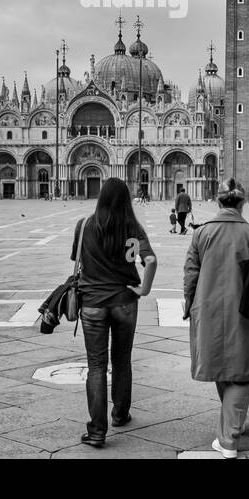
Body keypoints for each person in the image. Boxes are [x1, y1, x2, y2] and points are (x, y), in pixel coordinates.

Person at [183, 178, 249, 459]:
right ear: (242, 203)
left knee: (222, 365)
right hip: (247, 312)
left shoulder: (201, 234)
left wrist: (189, 304)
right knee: (243, 368)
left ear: (218, 202)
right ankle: (229, 439)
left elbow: (190, 275)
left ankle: (231, 424)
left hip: (209, 310)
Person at [70, 177, 157, 448]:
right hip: (124, 302)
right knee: (122, 360)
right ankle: (120, 414)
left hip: (93, 304)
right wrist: (143, 290)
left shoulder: (84, 225)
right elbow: (151, 260)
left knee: (96, 366)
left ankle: (97, 431)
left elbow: (78, 261)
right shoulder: (132, 227)